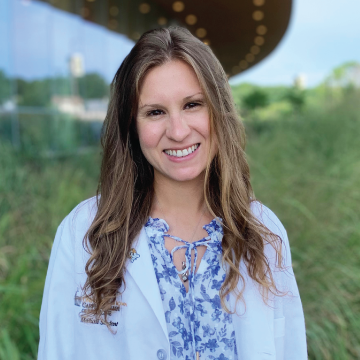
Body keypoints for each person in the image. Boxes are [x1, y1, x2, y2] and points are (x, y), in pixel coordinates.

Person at [38, 26, 307, 360]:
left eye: (193, 105)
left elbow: (289, 350)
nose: (178, 131)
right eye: (155, 112)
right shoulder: (83, 234)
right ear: (131, 126)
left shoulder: (263, 232)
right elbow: (57, 351)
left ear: (219, 112)